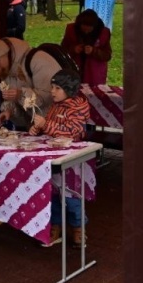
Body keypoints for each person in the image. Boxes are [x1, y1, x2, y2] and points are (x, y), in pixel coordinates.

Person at [28, 70, 91, 248]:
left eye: (57, 88)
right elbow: (50, 128)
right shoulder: (55, 106)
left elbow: (73, 132)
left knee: (72, 197)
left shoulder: (78, 108)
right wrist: (37, 129)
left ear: (69, 89)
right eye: (52, 87)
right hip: (54, 158)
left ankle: (78, 227)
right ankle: (55, 226)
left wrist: (46, 125)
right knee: (53, 194)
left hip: (72, 163)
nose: (52, 91)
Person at [0, 29, 61, 129]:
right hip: (36, 127)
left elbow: (48, 97)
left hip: (57, 124)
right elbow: (13, 101)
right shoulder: (6, 71)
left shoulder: (38, 61)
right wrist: (9, 111)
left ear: (5, 53)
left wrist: (21, 94)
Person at [61, 9, 112, 86]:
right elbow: (62, 51)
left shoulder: (103, 33)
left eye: (89, 30)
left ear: (94, 27)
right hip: (74, 72)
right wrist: (74, 49)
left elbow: (107, 55)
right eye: (84, 29)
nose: (86, 32)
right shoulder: (71, 30)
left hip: (94, 75)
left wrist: (94, 51)